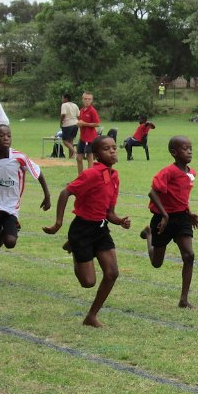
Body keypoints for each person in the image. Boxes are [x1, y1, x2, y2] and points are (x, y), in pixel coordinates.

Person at [43, 135, 130, 327]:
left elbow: (109, 213)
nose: (113, 151)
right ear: (97, 154)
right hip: (82, 229)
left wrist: (120, 221)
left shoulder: (114, 177)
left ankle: (91, 316)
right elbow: (66, 192)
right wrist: (58, 223)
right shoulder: (91, 174)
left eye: (114, 147)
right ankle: (74, 245)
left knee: (112, 273)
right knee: (88, 282)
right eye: (107, 149)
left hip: (100, 229)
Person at [0, 124, 51, 285]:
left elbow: (39, 174)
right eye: (1, 135)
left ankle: (1, 236)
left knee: (10, 243)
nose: (6, 138)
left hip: (11, 208)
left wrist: (47, 195)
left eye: (8, 135)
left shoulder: (19, 158)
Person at [141, 136, 198, 308]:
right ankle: (149, 235)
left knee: (189, 256)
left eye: (190, 148)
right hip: (162, 219)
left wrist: (189, 212)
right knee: (157, 263)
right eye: (184, 148)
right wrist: (165, 215)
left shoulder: (191, 173)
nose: (189, 151)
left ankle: (184, 299)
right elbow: (153, 193)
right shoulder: (168, 171)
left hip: (181, 218)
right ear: (174, 153)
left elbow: (181, 197)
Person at [76, 92, 101, 174]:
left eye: (89, 99)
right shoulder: (81, 111)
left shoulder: (92, 111)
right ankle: (80, 177)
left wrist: (84, 124)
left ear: (92, 100)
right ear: (82, 99)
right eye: (85, 99)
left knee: (89, 157)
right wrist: (78, 124)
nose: (87, 101)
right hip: (82, 138)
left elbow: (97, 123)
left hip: (90, 138)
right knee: (79, 158)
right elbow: (79, 122)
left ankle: (90, 177)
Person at [59, 93, 80, 159]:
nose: (62, 100)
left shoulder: (64, 105)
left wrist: (61, 122)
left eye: (63, 98)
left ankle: (75, 152)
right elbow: (78, 115)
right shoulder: (75, 105)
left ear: (66, 99)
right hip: (75, 124)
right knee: (71, 141)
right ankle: (70, 157)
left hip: (67, 124)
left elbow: (63, 114)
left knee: (65, 141)